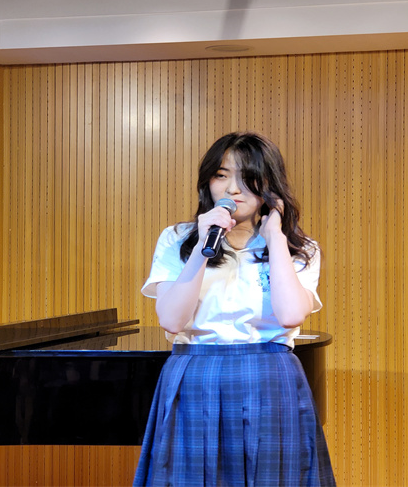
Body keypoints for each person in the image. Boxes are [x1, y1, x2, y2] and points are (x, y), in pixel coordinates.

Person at [133, 131, 336, 486]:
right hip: (195, 372)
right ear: (207, 182)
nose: (232, 189)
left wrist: (275, 238)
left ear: (269, 186)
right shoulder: (177, 239)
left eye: (246, 178)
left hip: (269, 376)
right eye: (221, 175)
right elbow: (171, 319)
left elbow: (291, 315)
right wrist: (202, 246)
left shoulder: (299, 249)